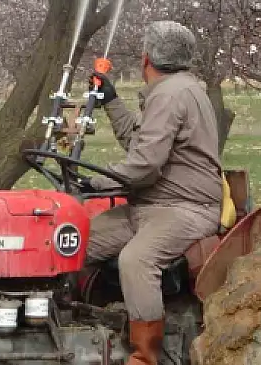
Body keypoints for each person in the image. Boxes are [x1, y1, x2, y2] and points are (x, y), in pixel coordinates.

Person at [84, 20, 224, 365]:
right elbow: (141, 142)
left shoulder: (171, 93)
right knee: (73, 242)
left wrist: (98, 182)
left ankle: (145, 356)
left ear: (146, 57)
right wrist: (112, 102)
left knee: (137, 260)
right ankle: (76, 326)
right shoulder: (176, 90)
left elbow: (145, 165)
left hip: (184, 208)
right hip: (148, 206)